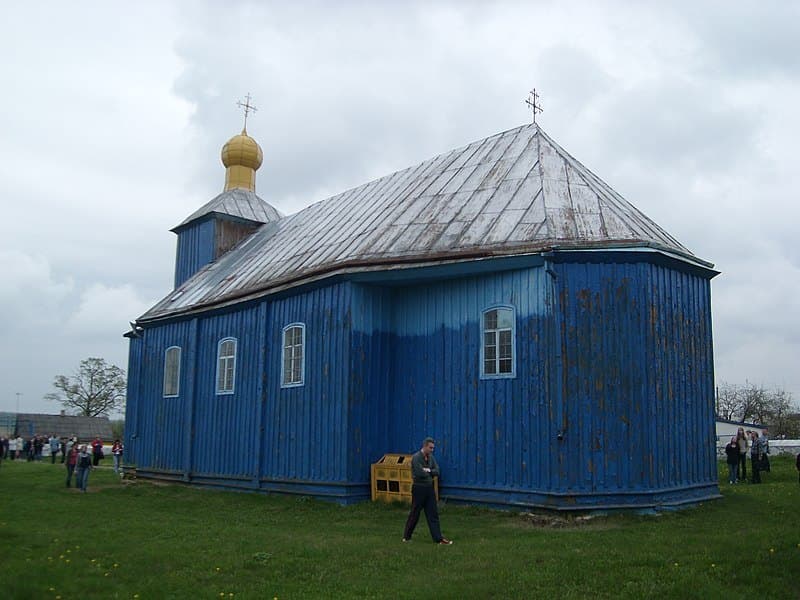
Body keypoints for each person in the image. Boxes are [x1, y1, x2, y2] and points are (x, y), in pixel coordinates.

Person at [402, 437, 453, 545]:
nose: (432, 450)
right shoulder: (416, 458)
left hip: (429, 488)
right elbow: (419, 473)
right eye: (430, 448)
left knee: (433, 513)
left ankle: (438, 538)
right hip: (419, 488)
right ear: (424, 446)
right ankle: (406, 536)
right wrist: (430, 473)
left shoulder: (431, 458)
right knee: (415, 513)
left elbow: (437, 471)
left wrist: (428, 470)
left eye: (433, 448)